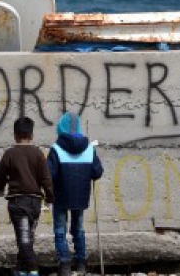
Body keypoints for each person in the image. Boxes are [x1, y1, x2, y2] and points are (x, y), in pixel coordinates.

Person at [0, 117, 55, 276]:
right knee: (27, 237)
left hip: (18, 202)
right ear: (31, 135)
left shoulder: (10, 154)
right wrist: (49, 198)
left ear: (15, 135)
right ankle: (22, 270)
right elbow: (46, 178)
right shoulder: (38, 154)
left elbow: (0, 176)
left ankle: (33, 270)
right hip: (35, 203)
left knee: (24, 240)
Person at [47, 112, 103, 276]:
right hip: (80, 197)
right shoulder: (89, 148)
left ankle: (64, 265)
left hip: (61, 196)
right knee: (78, 228)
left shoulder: (56, 149)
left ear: (61, 127)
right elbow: (97, 172)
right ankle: (81, 263)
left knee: (60, 230)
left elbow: (49, 174)